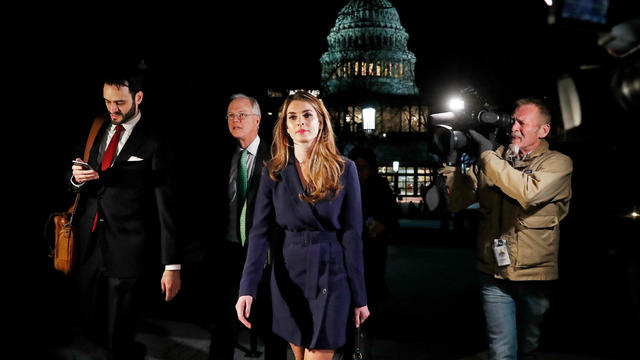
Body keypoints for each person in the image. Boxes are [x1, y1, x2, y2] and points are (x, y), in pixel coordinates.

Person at [235, 91, 370, 360]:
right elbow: (259, 234)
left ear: (321, 122)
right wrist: (246, 289)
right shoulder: (273, 171)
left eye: (307, 115)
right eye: (293, 117)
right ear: (285, 127)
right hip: (287, 274)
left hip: (331, 274)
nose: (300, 122)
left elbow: (353, 235)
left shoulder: (345, 169)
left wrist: (360, 296)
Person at [440, 98, 572, 359]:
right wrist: (451, 163)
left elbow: (528, 192)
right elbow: (456, 202)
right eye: (513, 121)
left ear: (542, 130)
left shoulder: (558, 164)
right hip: (494, 274)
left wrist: (488, 155)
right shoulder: (494, 158)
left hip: (534, 276)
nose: (514, 128)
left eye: (522, 123)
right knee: (501, 352)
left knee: (528, 350)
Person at [68, 64, 181, 360]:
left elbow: (166, 204)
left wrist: (172, 266)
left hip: (129, 247)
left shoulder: (156, 139)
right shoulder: (96, 127)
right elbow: (79, 174)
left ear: (138, 97)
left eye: (119, 102)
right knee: (89, 324)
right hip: (89, 242)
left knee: (120, 329)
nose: (112, 109)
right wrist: (75, 178)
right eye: (107, 101)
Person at [200, 93, 287, 360]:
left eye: (242, 115)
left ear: (257, 120)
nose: (235, 120)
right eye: (231, 115)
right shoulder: (219, 156)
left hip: (266, 256)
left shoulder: (277, 157)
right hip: (228, 252)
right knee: (224, 325)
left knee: (273, 328)